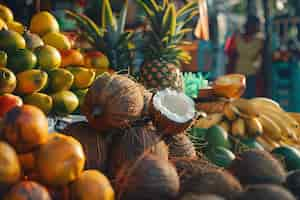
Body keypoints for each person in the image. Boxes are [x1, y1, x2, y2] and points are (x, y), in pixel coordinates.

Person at [225, 15, 265, 98]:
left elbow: (262, 60)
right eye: (257, 25)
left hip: (252, 76)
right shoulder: (236, 38)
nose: (258, 27)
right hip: (237, 75)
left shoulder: (260, 41)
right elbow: (231, 57)